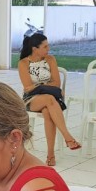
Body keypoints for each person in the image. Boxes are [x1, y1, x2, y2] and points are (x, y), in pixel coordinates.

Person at [18, 33, 81, 167]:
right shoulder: (23, 63)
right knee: (49, 98)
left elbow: (56, 83)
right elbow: (28, 88)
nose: (48, 49)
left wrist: (39, 86)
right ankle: (67, 137)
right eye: (45, 46)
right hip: (31, 99)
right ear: (35, 49)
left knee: (48, 111)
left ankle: (51, 155)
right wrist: (45, 85)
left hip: (49, 98)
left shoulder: (51, 60)